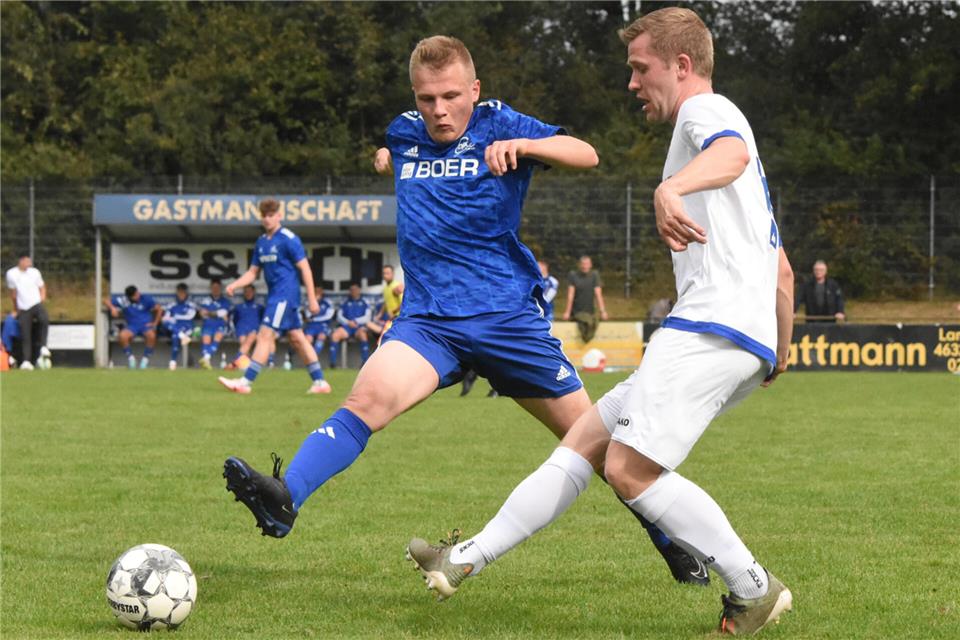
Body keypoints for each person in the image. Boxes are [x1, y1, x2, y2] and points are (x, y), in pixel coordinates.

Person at [221, 34, 706, 588]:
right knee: (366, 399)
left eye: (451, 96)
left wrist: (527, 148)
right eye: (427, 99)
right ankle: (286, 500)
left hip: (508, 322)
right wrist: (385, 159)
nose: (439, 110)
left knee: (597, 448)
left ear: (474, 89)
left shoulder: (500, 123)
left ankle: (672, 542)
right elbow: (394, 155)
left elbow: (586, 153)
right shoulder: (405, 133)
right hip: (429, 320)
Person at [405, 10, 796, 636]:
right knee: (586, 438)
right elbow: (783, 271)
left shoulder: (705, 113)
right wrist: (782, 346)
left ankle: (753, 587)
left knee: (629, 471)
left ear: (682, 66)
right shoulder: (716, 144)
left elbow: (732, 152)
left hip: (709, 326)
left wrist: (670, 192)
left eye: (641, 68)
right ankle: (464, 559)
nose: (633, 83)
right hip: (737, 332)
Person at [217, 198, 331, 395]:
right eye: (264, 216)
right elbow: (253, 272)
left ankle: (245, 382)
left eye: (271, 215)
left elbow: (305, 268)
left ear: (279, 216)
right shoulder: (261, 242)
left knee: (264, 335)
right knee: (297, 338)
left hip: (284, 296)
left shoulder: (288, 238)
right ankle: (320, 383)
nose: (267, 219)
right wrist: (235, 285)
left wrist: (312, 298)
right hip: (276, 297)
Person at [5, 254, 51, 369]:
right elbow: (13, 294)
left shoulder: (34, 272)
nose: (29, 264)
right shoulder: (11, 274)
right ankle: (26, 361)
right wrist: (16, 309)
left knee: (44, 319)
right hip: (23, 307)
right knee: (25, 333)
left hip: (36, 303)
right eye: (27, 261)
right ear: (21, 261)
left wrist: (42, 299)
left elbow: (42, 287)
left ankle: (43, 347)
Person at [104, 285, 163, 369]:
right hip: (132, 326)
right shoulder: (124, 300)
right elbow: (106, 301)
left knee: (152, 336)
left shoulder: (145, 298)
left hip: (145, 325)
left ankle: (145, 359)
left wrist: (155, 323)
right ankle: (131, 358)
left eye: (137, 293)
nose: (137, 296)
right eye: (135, 295)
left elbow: (159, 309)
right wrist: (112, 308)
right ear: (129, 297)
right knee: (122, 336)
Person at [562, 255, 608, 342]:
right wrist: (567, 312)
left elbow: (598, 295)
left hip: (590, 311)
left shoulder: (595, 275)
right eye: (583, 264)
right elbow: (570, 295)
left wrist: (603, 311)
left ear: (590, 265)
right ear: (579, 265)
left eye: (587, 264)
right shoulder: (573, 275)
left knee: (591, 326)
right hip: (577, 311)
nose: (585, 266)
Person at [328, 283, 372, 368]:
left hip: (359, 326)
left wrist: (356, 321)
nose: (353, 291)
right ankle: (332, 364)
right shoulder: (345, 302)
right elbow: (339, 316)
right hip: (347, 326)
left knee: (363, 335)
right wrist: (348, 322)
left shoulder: (365, 302)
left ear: (359, 290)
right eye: (351, 290)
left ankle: (365, 363)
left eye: (355, 289)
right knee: (335, 335)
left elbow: (368, 316)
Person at [161, 283, 199, 370]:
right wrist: (171, 318)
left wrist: (175, 317)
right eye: (179, 292)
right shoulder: (172, 305)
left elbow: (190, 316)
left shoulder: (191, 304)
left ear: (186, 293)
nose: (181, 294)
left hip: (187, 327)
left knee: (175, 335)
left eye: (183, 292)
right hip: (176, 327)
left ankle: (173, 361)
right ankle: (181, 336)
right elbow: (166, 317)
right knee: (167, 325)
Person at [198, 278, 232, 369]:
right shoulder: (206, 300)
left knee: (218, 335)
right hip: (208, 324)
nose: (215, 289)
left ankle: (206, 358)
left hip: (220, 325)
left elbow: (224, 314)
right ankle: (206, 361)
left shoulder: (225, 301)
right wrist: (217, 313)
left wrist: (210, 313)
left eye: (217, 287)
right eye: (214, 287)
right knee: (206, 337)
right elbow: (202, 313)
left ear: (220, 288)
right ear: (211, 288)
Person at [229, 285, 265, 370]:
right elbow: (235, 319)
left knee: (250, 338)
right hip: (242, 329)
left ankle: (235, 363)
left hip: (255, 330)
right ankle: (247, 365)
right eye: (246, 291)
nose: (248, 293)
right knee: (243, 341)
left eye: (250, 291)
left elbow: (263, 319)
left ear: (254, 292)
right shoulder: (239, 307)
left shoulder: (259, 307)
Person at [302, 286, 334, 363]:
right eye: (316, 291)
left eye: (319, 291)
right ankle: (309, 359)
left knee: (321, 336)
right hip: (312, 325)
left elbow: (329, 315)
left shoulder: (328, 302)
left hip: (323, 325)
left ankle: (314, 359)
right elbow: (308, 315)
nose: (318, 293)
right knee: (307, 339)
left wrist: (315, 319)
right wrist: (314, 301)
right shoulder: (308, 302)